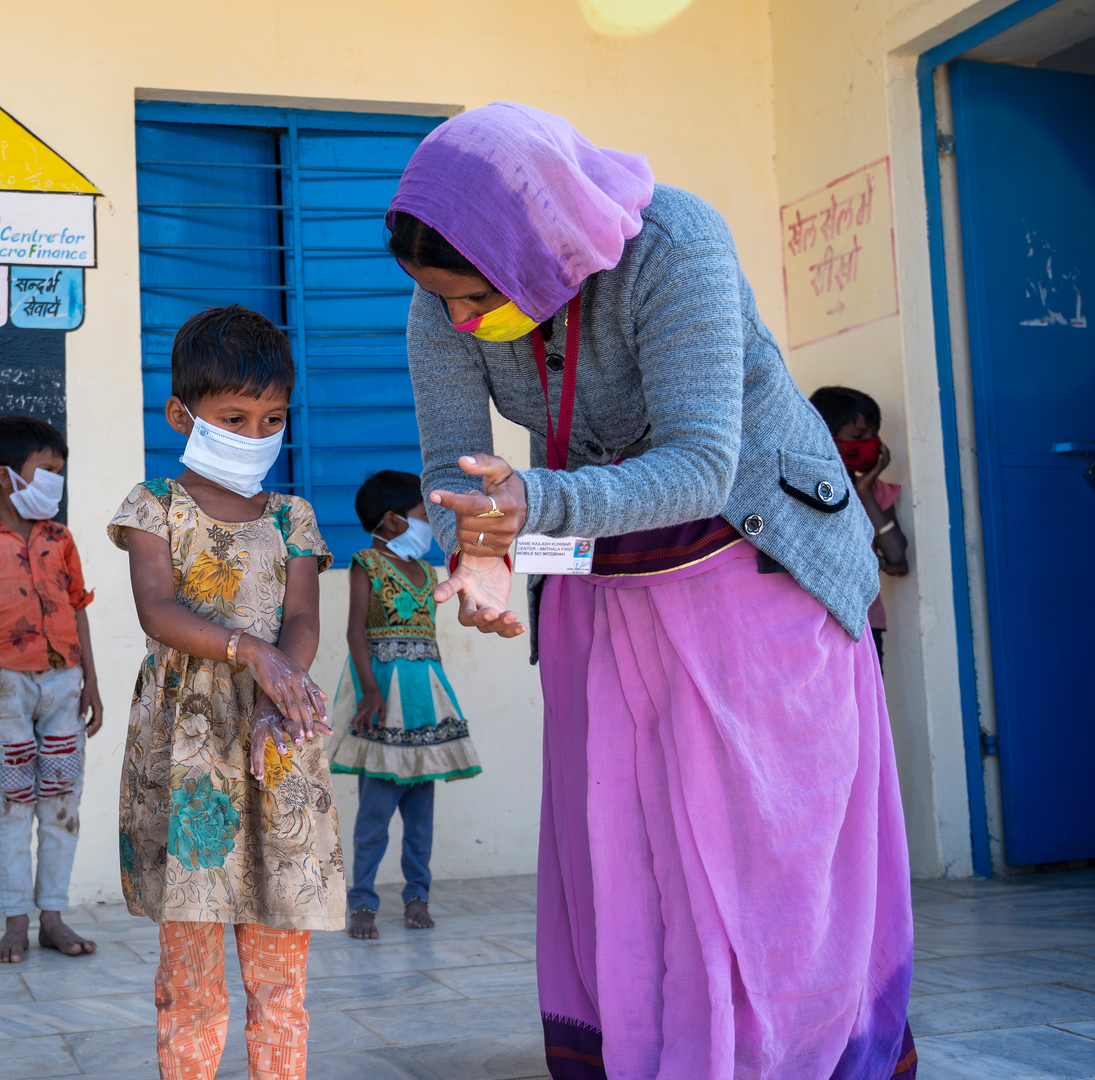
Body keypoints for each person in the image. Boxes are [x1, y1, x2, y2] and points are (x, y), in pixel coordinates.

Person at [390, 102, 915, 1079]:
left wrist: (530, 502)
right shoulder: (440, 303)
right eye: (445, 301)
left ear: (537, 237)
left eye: (475, 298)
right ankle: (654, 1047)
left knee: (754, 853)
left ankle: (771, 1051)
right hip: (602, 584)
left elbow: (701, 466)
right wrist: (481, 559)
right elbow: (452, 471)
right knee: (625, 847)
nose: (463, 320)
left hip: (757, 568)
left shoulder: (676, 243)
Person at [108, 305, 343, 1080]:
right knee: (192, 979)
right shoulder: (154, 506)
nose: (254, 435)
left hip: (277, 741)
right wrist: (253, 655)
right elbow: (159, 610)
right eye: (233, 417)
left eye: (271, 418)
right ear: (183, 415)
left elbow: (303, 615)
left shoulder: (294, 517)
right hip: (190, 757)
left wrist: (284, 680)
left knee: (281, 975)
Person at [0, 415, 105, 964]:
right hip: (9, 687)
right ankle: (15, 921)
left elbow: (79, 610)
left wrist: (93, 685)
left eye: (60, 471)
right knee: (13, 806)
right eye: (47, 470)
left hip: (65, 686)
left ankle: (52, 917)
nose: (56, 481)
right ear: (9, 476)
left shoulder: (61, 538)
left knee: (62, 805)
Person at [330, 470, 481, 941]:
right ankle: (362, 903)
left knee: (421, 812)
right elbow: (356, 632)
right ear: (393, 520)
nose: (428, 524)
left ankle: (418, 895)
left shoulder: (428, 571)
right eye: (420, 515)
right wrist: (370, 689)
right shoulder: (366, 563)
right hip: (383, 697)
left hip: (423, 701)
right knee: (375, 812)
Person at [812, 386, 910, 671]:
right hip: (818, 623)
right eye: (858, 437)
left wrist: (865, 491)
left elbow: (898, 558)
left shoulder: (877, 492)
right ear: (827, 437)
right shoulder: (809, 490)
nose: (870, 443)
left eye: (873, 435)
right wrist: (874, 561)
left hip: (866, 625)